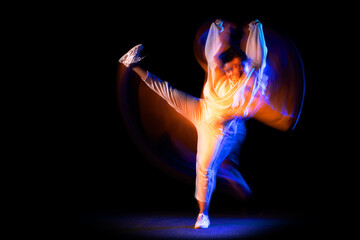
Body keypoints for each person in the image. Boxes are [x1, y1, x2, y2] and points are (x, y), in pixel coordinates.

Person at [119, 19, 294, 229]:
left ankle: (203, 214)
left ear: (245, 66)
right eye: (232, 67)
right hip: (202, 109)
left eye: (240, 66)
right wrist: (216, 29)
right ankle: (133, 64)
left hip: (219, 130)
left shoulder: (251, 78)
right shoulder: (219, 72)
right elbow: (213, 54)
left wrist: (257, 30)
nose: (235, 71)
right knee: (168, 92)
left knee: (205, 168)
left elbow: (259, 58)